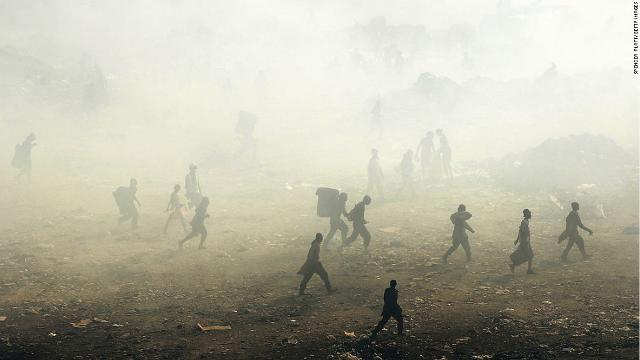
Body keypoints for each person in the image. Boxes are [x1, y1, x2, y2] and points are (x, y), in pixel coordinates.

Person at [510, 209, 534, 274]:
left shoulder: (525, 222)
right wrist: (523, 242)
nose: (530, 215)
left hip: (526, 242)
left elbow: (520, 231)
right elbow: (522, 232)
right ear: (526, 215)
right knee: (529, 256)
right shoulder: (524, 222)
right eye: (529, 213)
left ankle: (528, 269)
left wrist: (517, 240)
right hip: (525, 242)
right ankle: (514, 265)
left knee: (529, 256)